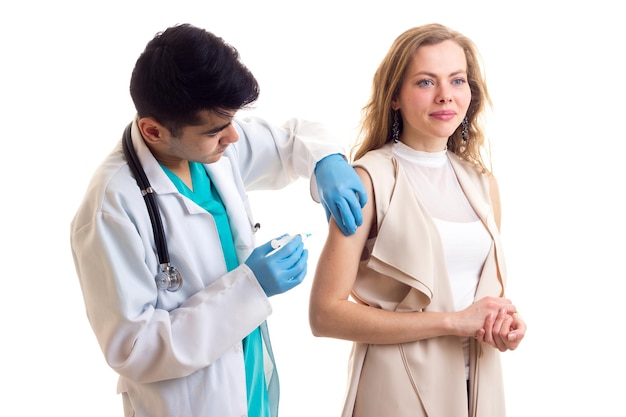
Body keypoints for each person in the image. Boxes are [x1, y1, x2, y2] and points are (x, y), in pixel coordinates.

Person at [70, 23, 367, 417]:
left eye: (232, 120)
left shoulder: (207, 146)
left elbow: (292, 141)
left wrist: (327, 161)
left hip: (251, 389)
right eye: (216, 130)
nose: (234, 138)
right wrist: (250, 287)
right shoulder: (112, 207)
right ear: (153, 130)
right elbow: (132, 349)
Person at [308, 23, 527, 417]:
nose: (446, 95)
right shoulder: (369, 180)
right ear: (395, 96)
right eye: (426, 82)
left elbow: (472, 294)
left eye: (457, 80)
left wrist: (502, 325)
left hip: (479, 385)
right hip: (396, 388)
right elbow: (325, 314)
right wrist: (453, 322)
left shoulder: (482, 184)